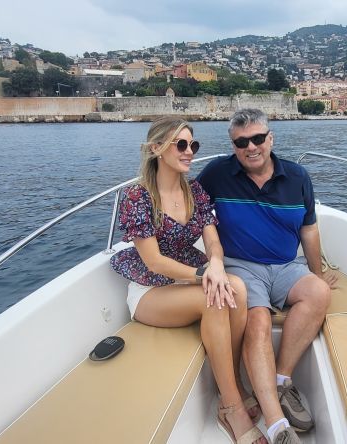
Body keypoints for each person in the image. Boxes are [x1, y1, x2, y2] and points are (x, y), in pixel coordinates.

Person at [110, 117, 265, 444]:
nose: (189, 152)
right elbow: (153, 261)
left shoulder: (194, 190)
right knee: (215, 298)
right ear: (157, 149)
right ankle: (231, 407)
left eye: (193, 145)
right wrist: (203, 274)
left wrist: (218, 265)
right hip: (151, 290)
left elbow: (212, 240)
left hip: (188, 281)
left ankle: (233, 379)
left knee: (235, 288)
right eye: (181, 144)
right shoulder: (138, 196)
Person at [198, 109, 336, 444]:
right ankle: (277, 426)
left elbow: (309, 229)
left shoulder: (297, 176)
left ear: (270, 138)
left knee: (318, 293)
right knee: (258, 321)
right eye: (241, 142)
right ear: (233, 146)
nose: (251, 147)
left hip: (287, 266)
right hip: (241, 267)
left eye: (258, 138)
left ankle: (281, 380)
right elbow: (187, 204)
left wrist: (318, 273)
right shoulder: (217, 173)